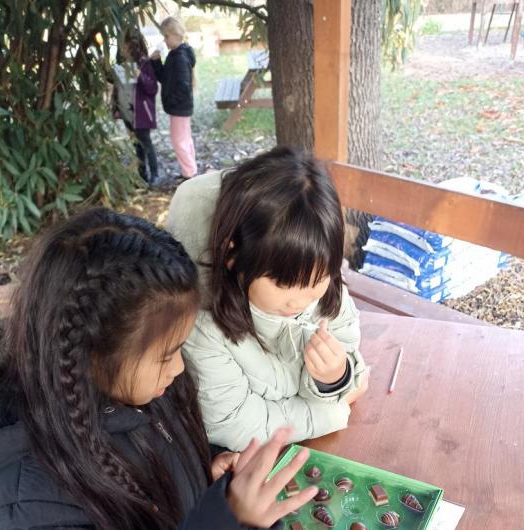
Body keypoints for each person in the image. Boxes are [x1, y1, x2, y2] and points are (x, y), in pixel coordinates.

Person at [0, 208, 317, 530]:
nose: (180, 367)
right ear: (91, 359)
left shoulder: (136, 380)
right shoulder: (21, 494)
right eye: (168, 355)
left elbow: (155, 450)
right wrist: (231, 525)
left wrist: (209, 467)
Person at [166, 147, 368, 453]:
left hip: (316, 447)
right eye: (282, 283)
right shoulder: (206, 329)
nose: (299, 301)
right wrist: (333, 410)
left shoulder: (329, 295)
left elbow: (353, 363)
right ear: (234, 255)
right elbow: (233, 423)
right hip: (247, 465)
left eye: (317, 280)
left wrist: (335, 378)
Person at [150, 17, 197, 179]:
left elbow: (184, 86)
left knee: (179, 141)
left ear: (176, 35)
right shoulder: (174, 55)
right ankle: (190, 170)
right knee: (185, 139)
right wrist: (156, 63)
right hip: (180, 107)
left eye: (166, 36)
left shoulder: (180, 58)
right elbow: (165, 78)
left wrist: (172, 100)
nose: (164, 40)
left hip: (179, 107)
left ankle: (190, 174)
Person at [112, 30, 160, 186]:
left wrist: (140, 75)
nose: (122, 50)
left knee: (146, 144)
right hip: (126, 112)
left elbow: (152, 88)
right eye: (121, 47)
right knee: (136, 145)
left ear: (133, 46)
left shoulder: (144, 63)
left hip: (141, 113)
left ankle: (155, 174)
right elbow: (117, 84)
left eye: (124, 47)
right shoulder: (121, 64)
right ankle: (142, 175)